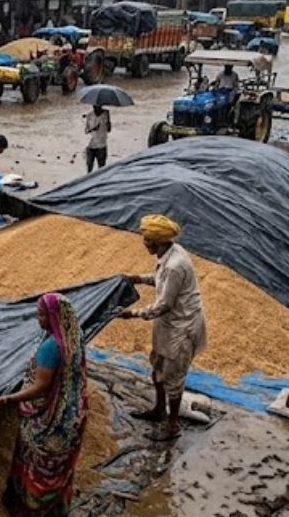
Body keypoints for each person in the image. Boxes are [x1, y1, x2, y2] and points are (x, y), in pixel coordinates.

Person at [0, 291, 88, 517]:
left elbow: (40, 387)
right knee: (57, 471)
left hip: (50, 422)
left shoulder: (50, 347)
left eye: (42, 315)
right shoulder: (73, 337)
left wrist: (8, 399)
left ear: (55, 317)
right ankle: (54, 516)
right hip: (72, 416)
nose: (38, 319)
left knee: (38, 472)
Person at [117, 215, 206, 443]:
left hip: (181, 327)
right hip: (167, 324)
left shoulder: (176, 265)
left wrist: (133, 314)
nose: (145, 243)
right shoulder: (169, 254)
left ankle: (172, 426)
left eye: (149, 240)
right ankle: (159, 409)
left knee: (173, 378)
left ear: (160, 241)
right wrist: (136, 278)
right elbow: (159, 278)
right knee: (157, 368)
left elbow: (164, 304)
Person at [84, 104, 111, 172]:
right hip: (91, 145)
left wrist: (108, 120)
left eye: (99, 107)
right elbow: (86, 131)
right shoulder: (90, 115)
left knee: (102, 169)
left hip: (102, 145)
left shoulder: (105, 114)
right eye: (95, 107)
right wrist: (93, 129)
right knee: (89, 168)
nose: (97, 109)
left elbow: (109, 130)